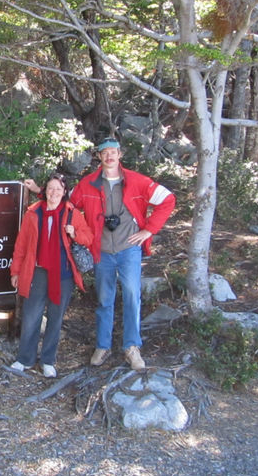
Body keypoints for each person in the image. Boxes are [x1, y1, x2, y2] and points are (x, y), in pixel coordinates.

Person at [69, 136, 176, 370]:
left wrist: (148, 230)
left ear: (120, 155)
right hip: (102, 251)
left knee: (131, 296)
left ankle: (131, 347)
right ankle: (103, 345)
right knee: (104, 300)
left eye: (113, 152)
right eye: (104, 152)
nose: (109, 156)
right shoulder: (88, 184)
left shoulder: (137, 181)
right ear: (99, 156)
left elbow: (168, 199)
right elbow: (68, 206)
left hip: (129, 250)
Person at [10, 172, 94, 378]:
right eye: (50, 188)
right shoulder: (34, 213)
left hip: (63, 274)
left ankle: (48, 360)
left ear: (64, 191)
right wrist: (16, 271)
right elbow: (21, 245)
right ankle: (25, 359)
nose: (54, 192)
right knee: (31, 316)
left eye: (58, 189)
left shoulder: (72, 213)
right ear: (44, 191)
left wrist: (74, 233)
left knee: (55, 318)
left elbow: (89, 238)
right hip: (37, 272)